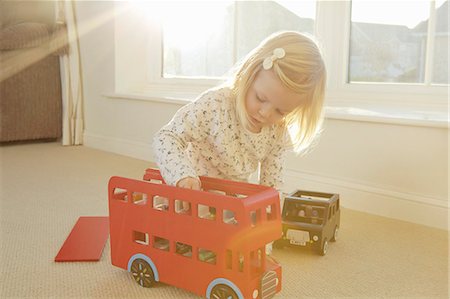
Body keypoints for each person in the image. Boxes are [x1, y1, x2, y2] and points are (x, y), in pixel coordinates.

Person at [153, 31, 326, 192]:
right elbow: (167, 137)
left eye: (281, 111)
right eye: (260, 98)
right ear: (249, 74)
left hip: (230, 204)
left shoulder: (278, 132)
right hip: (189, 194)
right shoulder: (215, 105)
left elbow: (271, 186)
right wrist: (183, 176)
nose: (265, 113)